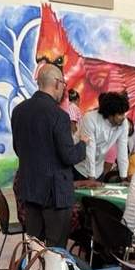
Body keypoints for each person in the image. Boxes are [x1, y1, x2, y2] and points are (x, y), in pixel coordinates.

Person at [11, 63, 88, 248]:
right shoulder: (59, 116)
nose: (64, 88)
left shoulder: (18, 110)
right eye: (63, 83)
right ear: (56, 83)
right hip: (56, 195)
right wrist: (83, 144)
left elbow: (17, 148)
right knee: (55, 250)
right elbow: (69, 156)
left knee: (34, 247)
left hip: (30, 188)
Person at [75, 91, 130, 183]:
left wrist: (123, 178)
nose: (123, 117)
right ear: (110, 114)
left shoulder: (123, 123)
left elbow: (123, 151)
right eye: (120, 114)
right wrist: (91, 179)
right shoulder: (90, 119)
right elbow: (89, 151)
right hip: (79, 167)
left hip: (98, 170)